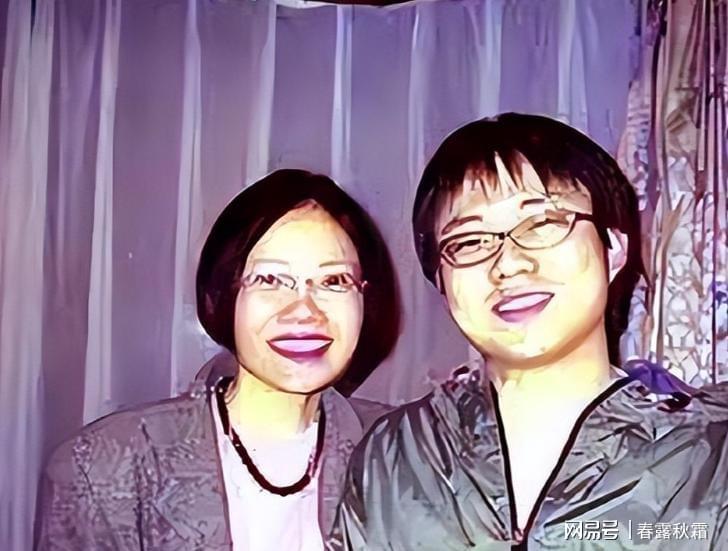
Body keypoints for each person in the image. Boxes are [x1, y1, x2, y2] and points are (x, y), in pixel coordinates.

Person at [331, 114, 728, 550]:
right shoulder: (394, 457)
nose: (508, 264)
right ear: (441, 282)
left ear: (613, 249)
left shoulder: (707, 457)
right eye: (470, 242)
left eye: (542, 225)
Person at [35, 169, 400, 550]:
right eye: (269, 280)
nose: (304, 311)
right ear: (224, 295)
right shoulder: (104, 468)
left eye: (334, 281)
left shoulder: (403, 452)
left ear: (366, 300)